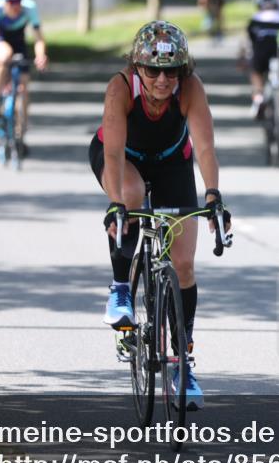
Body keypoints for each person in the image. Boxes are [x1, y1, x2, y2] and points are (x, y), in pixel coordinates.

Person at [90, 21, 229, 410]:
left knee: (183, 263)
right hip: (122, 160)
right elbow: (114, 154)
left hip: (172, 163)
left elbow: (205, 149)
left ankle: (182, 361)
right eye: (153, 70)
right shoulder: (121, 87)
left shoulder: (190, 88)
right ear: (138, 68)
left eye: (172, 70)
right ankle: (120, 288)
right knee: (131, 196)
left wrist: (214, 195)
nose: (163, 79)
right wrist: (117, 203)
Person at [0, 0, 48, 148]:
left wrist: (40, 55)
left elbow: (38, 37)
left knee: (24, 89)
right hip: (1, 40)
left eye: (18, 1)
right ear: (4, 1)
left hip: (19, 43)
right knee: (4, 55)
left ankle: (21, 134)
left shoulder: (29, 8)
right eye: (11, 2)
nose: (15, 5)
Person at [241, 0, 279, 133]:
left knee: (256, 71)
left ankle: (258, 97)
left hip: (262, 49)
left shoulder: (256, 18)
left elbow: (250, 40)